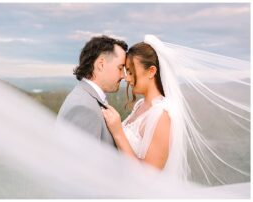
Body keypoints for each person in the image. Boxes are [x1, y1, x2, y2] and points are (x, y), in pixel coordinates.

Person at [102, 35, 250, 185]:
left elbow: (148, 176)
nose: (127, 79)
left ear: (151, 71)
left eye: (131, 72)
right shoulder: (140, 105)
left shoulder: (163, 114)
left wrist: (118, 133)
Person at [57, 35, 128, 147]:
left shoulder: (87, 98)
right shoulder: (83, 108)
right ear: (101, 64)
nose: (123, 76)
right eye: (120, 68)